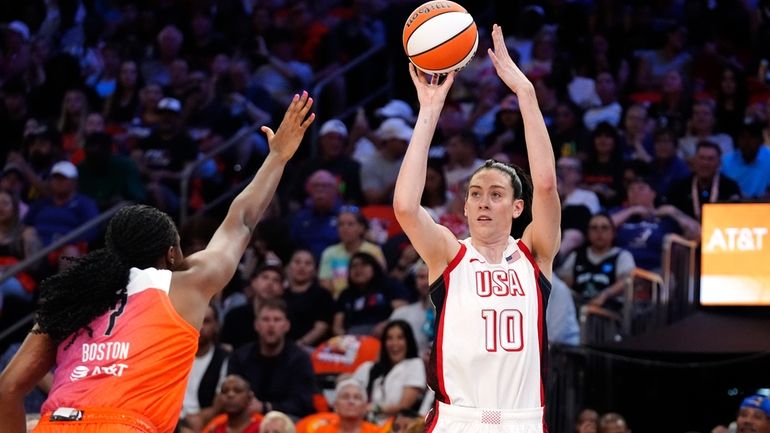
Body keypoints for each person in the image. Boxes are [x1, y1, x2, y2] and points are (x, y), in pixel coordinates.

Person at [0, 92, 316, 433]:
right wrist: (278, 158)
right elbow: (240, 222)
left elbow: (8, 388)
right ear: (169, 254)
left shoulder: (70, 298)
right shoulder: (184, 283)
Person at [392, 24, 560, 433]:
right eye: (475, 193)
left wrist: (526, 93)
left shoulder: (535, 253)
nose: (484, 201)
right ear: (464, 206)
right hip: (458, 420)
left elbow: (547, 184)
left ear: (519, 207)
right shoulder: (450, 254)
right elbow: (404, 207)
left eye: (497, 193)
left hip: (522, 420)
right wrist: (429, 112)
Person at [228, 298, 317, 419]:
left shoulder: (300, 359)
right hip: (248, 417)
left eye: (277, 320)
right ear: (256, 325)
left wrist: (266, 407)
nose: (271, 325)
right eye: (265, 319)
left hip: (287, 420)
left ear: (286, 326)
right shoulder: (240, 357)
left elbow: (303, 403)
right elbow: (230, 392)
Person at [350, 320, 426, 425]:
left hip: (396, 428)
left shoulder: (414, 364)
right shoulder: (370, 368)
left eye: (400, 338)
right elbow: (349, 392)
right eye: (389, 338)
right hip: (366, 426)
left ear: (408, 341)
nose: (394, 343)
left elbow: (404, 407)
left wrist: (375, 408)